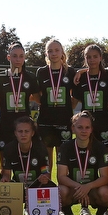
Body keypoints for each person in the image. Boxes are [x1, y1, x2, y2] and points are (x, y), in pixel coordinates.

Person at [57, 111, 108, 215]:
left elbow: (105, 178)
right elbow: (61, 176)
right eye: (80, 127)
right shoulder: (65, 147)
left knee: (106, 193)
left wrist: (88, 187)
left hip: (92, 190)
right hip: (74, 190)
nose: (84, 130)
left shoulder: (100, 147)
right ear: (73, 128)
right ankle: (68, 214)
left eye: (87, 127)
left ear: (92, 129)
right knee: (60, 191)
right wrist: (80, 187)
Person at [35, 38, 77, 166]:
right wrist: (44, 104)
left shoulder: (70, 72)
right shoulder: (41, 72)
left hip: (64, 121)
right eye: (50, 51)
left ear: (62, 52)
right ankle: (48, 184)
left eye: (56, 50)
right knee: (46, 159)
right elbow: (37, 95)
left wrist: (68, 108)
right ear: (46, 54)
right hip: (45, 121)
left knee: (62, 158)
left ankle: (62, 185)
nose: (53, 53)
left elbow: (74, 96)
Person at [71, 44, 108, 148]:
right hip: (86, 124)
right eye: (88, 57)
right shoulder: (80, 78)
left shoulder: (107, 76)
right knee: (87, 155)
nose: (92, 60)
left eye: (95, 56)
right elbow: (73, 103)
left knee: (105, 155)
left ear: (100, 57)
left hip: (104, 122)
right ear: (85, 59)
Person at [0, 115, 54, 189]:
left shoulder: (41, 148)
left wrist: (45, 177)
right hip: (17, 187)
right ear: (15, 133)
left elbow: (46, 172)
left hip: (37, 187)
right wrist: (5, 178)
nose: (23, 135)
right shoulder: (9, 148)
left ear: (32, 133)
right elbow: (7, 174)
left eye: (26, 131)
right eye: (20, 131)